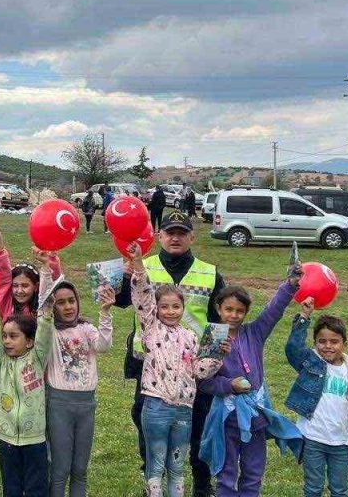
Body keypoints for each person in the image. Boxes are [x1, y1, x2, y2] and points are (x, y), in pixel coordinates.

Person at [113, 209, 226, 496]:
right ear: (159, 235)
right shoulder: (140, 265)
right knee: (147, 424)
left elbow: (219, 321)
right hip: (151, 366)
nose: (175, 238)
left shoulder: (210, 273)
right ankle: (151, 483)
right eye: (170, 232)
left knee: (198, 426)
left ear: (192, 236)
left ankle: (202, 485)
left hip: (194, 368)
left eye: (182, 233)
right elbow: (119, 300)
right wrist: (122, 277)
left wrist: (213, 356)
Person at [200, 262, 302, 497]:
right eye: (228, 309)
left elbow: (273, 311)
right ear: (218, 308)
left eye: (239, 311)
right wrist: (229, 385)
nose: (233, 315)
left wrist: (290, 285)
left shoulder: (254, 333)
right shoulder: (212, 338)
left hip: (256, 417)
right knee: (226, 474)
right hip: (226, 419)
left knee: (253, 472)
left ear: (245, 313)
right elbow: (204, 381)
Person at [284, 301, 348, 497]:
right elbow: (292, 349)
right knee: (313, 488)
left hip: (341, 442)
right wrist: (304, 317)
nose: (328, 346)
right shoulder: (310, 363)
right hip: (312, 439)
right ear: (315, 343)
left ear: (344, 344)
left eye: (334, 341)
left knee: (340, 490)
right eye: (322, 341)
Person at [0, 295, 54, 497]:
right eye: (5, 336)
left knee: (36, 489)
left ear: (29, 342)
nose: (7, 341)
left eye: (13, 336)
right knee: (12, 488)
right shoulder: (0, 359)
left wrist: (48, 314)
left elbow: (44, 335)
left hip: (34, 440)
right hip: (7, 440)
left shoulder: (36, 358)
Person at [44, 280, 114, 497]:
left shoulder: (85, 329)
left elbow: (103, 345)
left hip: (86, 405)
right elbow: (43, 301)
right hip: (59, 405)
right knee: (60, 469)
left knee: (80, 470)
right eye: (61, 303)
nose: (68, 307)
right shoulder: (50, 332)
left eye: (71, 301)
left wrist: (104, 312)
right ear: (52, 306)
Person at [0, 222, 62, 321]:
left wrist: (50, 260)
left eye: (25, 286)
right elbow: (3, 276)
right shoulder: (7, 305)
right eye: (15, 285)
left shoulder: (42, 307)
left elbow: (51, 285)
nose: (19, 291)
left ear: (36, 287)